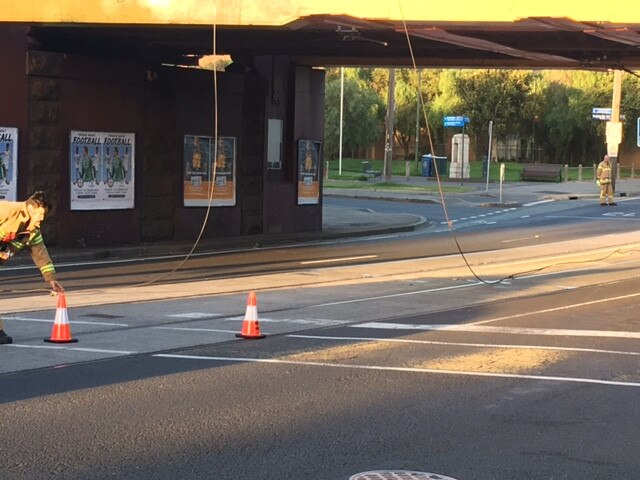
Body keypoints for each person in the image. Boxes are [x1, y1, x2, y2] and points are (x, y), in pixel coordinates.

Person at [0, 191, 64, 344]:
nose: (41, 219)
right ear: (30, 207)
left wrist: (51, 280)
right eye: (39, 214)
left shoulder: (32, 232)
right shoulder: (6, 209)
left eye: (44, 216)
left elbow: (40, 253)